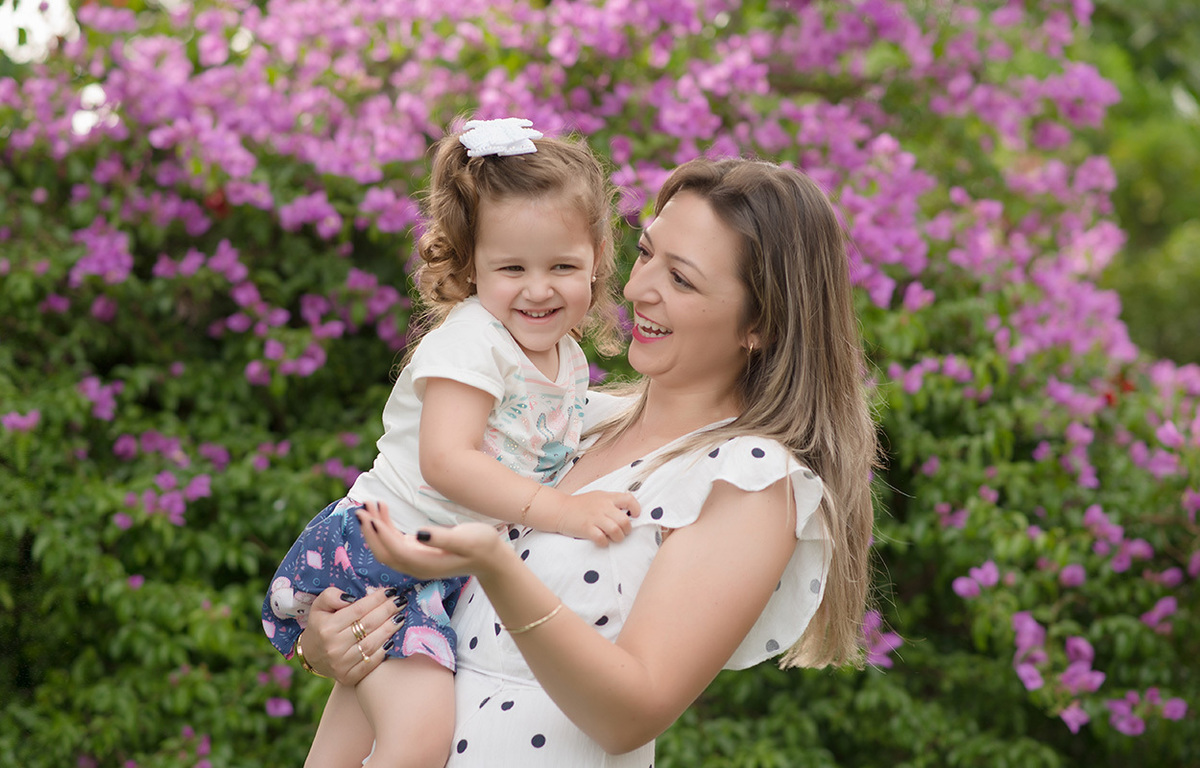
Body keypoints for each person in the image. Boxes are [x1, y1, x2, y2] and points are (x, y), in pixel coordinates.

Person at [298, 156, 879, 766]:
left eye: (681, 279)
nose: (637, 288)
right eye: (647, 252)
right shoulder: (567, 421)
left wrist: (497, 565)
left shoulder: (749, 477)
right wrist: (332, 641)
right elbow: (428, 615)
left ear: (759, 323)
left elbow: (630, 713)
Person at [262, 117, 641, 768]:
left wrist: (656, 403)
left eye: (563, 266)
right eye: (512, 267)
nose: (540, 287)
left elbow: (567, 417)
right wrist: (563, 513)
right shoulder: (472, 341)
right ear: (470, 269)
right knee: (417, 743)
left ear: (597, 264)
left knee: (343, 749)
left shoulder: (562, 355)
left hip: (427, 566)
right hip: (380, 555)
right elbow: (447, 461)